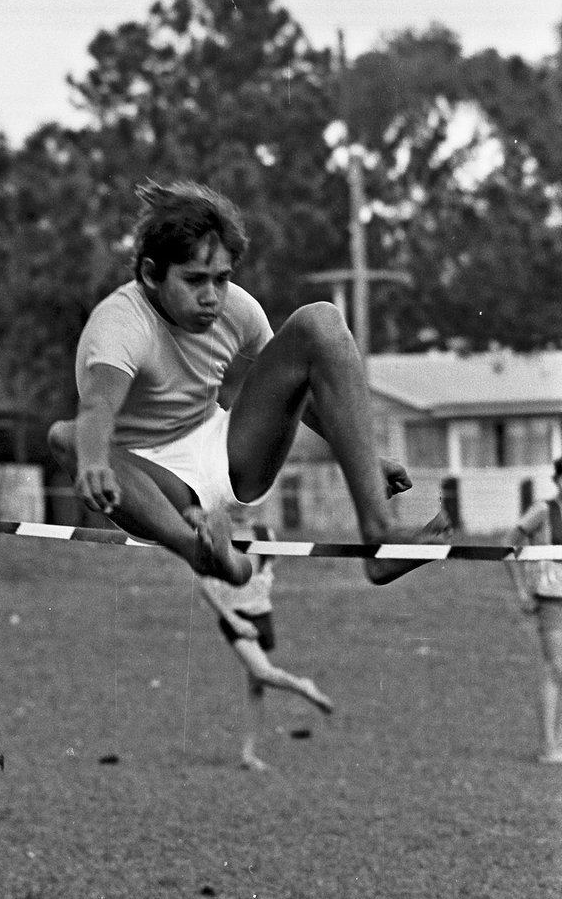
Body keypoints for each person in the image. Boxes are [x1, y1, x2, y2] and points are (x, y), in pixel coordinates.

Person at [49, 179, 449, 586]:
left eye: (220, 278)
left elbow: (298, 387)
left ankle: (379, 538)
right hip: (152, 486)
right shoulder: (119, 324)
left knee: (319, 322)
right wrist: (95, 461)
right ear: (151, 274)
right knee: (67, 437)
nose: (211, 297)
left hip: (227, 457)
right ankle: (202, 551)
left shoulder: (236, 307)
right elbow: (97, 406)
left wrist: (361, 457)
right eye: (194, 280)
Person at [195, 520, 332, 772]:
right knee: (262, 673)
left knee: (255, 688)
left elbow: (269, 567)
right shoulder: (215, 531)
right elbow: (205, 585)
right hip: (234, 618)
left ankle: (248, 754)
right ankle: (303, 686)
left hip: (261, 616)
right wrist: (233, 620)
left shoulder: (263, 534)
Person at [506, 457, 562, 764]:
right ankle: (548, 747)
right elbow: (508, 546)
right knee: (556, 669)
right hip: (550, 598)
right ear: (558, 480)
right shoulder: (542, 510)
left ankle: (557, 744)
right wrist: (520, 590)